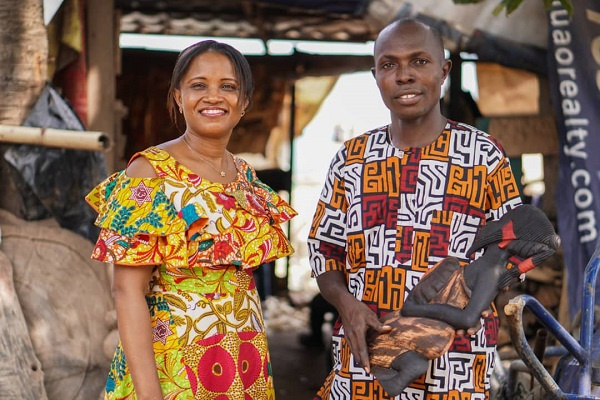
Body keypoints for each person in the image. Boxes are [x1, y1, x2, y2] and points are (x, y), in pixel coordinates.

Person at [307, 18, 522, 399]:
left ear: (444, 70)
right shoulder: (352, 159)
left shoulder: (483, 156)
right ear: (375, 76)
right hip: (367, 358)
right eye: (389, 65)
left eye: (419, 61)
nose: (403, 75)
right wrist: (346, 304)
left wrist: (474, 301)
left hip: (454, 360)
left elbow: (514, 246)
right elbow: (324, 250)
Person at [86, 40, 297, 400]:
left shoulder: (244, 176)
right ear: (178, 97)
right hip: (173, 367)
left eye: (227, 87)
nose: (213, 96)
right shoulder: (150, 172)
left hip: (242, 361)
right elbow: (127, 292)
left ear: (244, 102)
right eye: (199, 85)